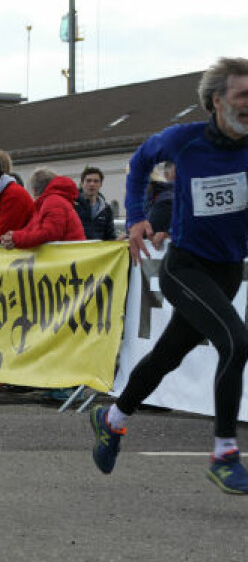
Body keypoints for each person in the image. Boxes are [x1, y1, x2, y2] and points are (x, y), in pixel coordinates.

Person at [89, 57, 248, 494]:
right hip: (185, 267)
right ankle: (224, 453)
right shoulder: (184, 140)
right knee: (235, 341)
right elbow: (139, 164)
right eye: (243, 96)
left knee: (168, 355)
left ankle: (112, 418)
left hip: (229, 269)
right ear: (217, 101)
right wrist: (138, 217)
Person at [1, 168, 85, 249]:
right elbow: (32, 229)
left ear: (34, 190)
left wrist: (16, 238)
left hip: (68, 257)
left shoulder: (53, 201)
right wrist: (14, 236)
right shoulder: (48, 202)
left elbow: (49, 233)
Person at [74, 167, 117, 240]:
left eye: (96, 181)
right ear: (82, 184)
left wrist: (117, 241)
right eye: (88, 181)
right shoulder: (73, 206)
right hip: (79, 250)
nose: (92, 184)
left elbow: (110, 236)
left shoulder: (106, 209)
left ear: (101, 184)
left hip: (100, 251)